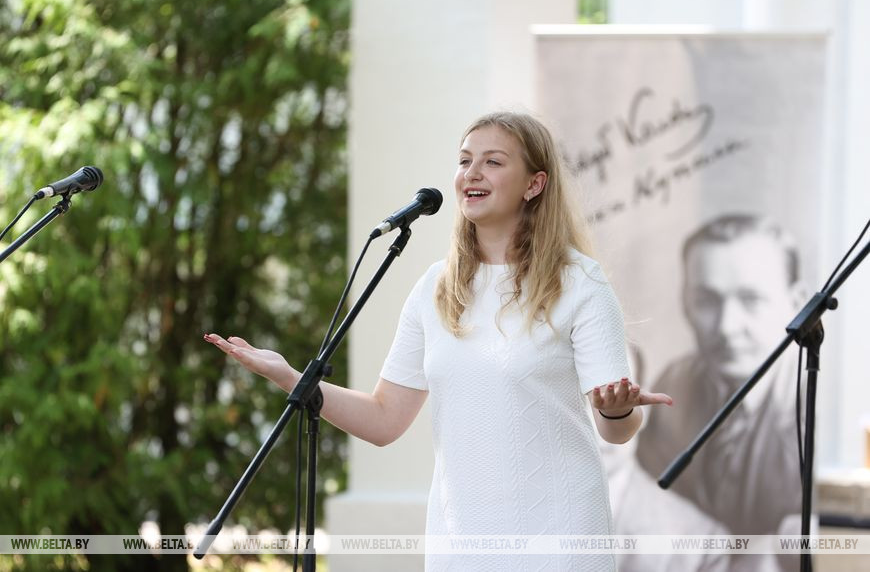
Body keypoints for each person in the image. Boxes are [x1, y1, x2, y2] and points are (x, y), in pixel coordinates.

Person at [205, 111, 673, 571]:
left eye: (493, 161)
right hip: (461, 541)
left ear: (534, 184)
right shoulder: (436, 287)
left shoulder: (579, 283)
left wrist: (616, 410)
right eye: (465, 160)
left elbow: (617, 429)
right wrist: (290, 377)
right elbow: (384, 420)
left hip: (558, 540)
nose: (472, 172)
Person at [635, 214, 805, 570]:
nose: (727, 327)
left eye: (751, 299)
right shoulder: (675, 383)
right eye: (707, 301)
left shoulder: (821, 403)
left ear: (798, 302)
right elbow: (647, 499)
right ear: (685, 302)